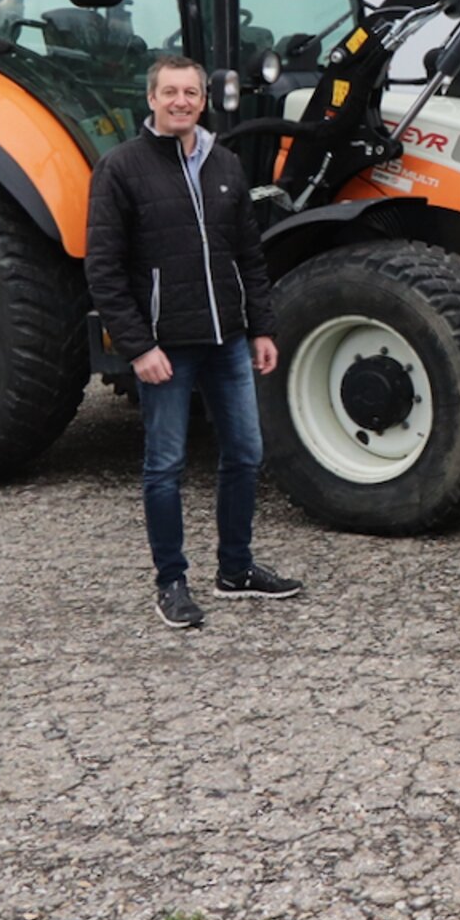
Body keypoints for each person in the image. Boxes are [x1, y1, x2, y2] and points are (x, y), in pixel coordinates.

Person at [85, 54, 302, 629]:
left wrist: (261, 327)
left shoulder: (224, 163)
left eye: (191, 93)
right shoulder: (121, 170)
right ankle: (172, 583)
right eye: (170, 92)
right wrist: (137, 347)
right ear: (151, 99)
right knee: (165, 465)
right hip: (165, 347)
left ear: (204, 101)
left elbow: (248, 256)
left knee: (246, 454)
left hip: (228, 341)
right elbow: (104, 270)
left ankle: (236, 569)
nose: (181, 101)